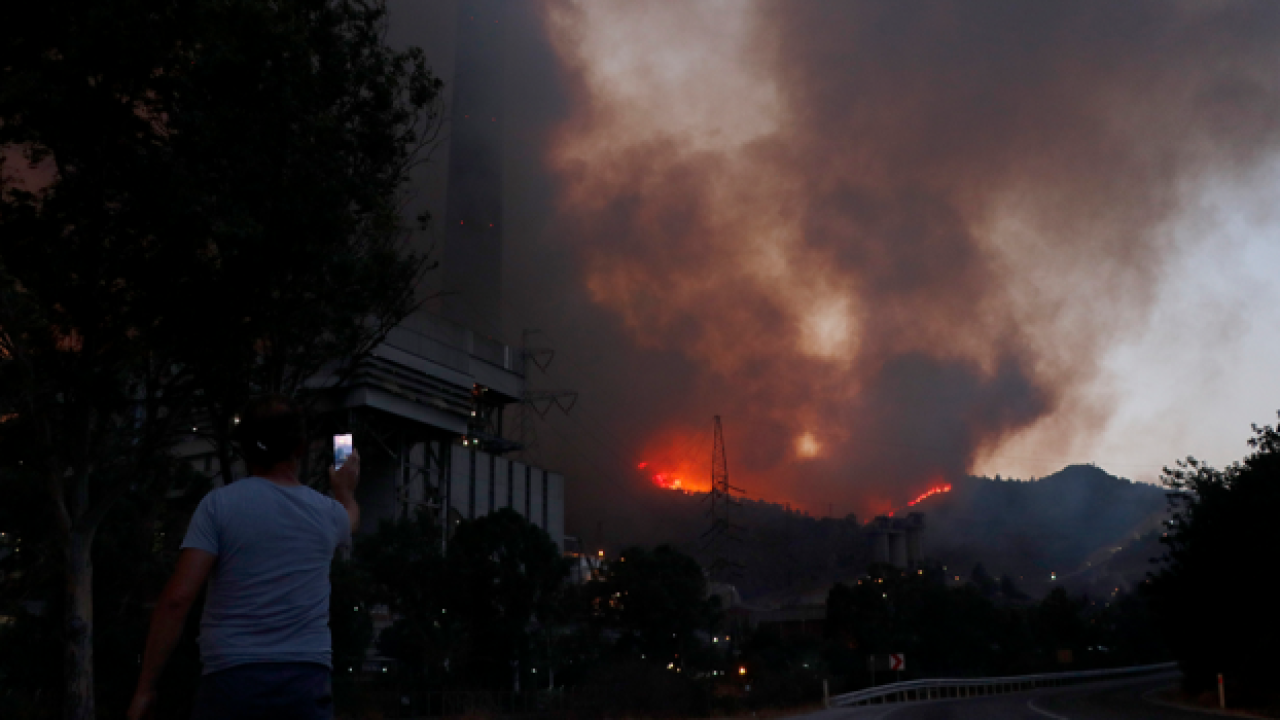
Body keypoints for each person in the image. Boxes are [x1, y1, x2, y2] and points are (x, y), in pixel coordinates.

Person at [127, 395, 361, 720]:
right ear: (300, 447)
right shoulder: (327, 513)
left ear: (245, 447)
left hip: (231, 677)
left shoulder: (218, 506)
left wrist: (146, 688)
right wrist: (345, 490)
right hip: (305, 679)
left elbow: (177, 600)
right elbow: (351, 518)